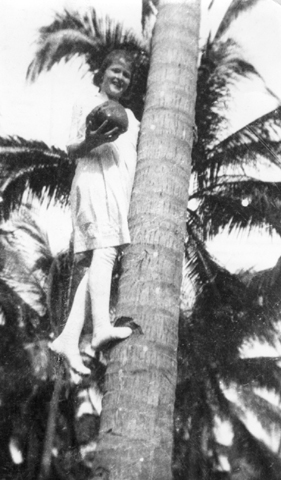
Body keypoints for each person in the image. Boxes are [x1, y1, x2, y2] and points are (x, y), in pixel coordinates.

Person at [50, 50, 140, 375]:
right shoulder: (87, 103)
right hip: (92, 184)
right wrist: (93, 140)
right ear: (102, 73)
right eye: (115, 71)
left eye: (126, 75)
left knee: (94, 270)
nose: (119, 77)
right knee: (104, 254)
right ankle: (101, 327)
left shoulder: (131, 117)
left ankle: (68, 338)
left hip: (116, 194)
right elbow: (72, 148)